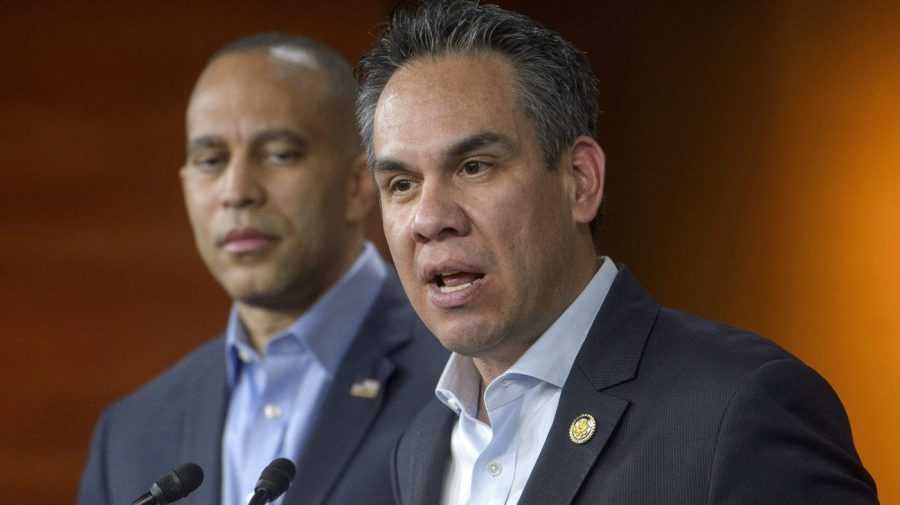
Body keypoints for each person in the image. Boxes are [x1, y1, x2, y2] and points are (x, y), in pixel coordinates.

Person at [355, 1, 879, 504]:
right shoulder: (418, 446)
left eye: (474, 167)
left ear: (580, 181)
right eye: (402, 184)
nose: (429, 219)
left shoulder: (741, 406)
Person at [78, 33, 446, 505]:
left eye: (278, 155)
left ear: (358, 184)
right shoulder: (130, 436)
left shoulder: (463, 375)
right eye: (210, 160)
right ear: (186, 184)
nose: (237, 191)